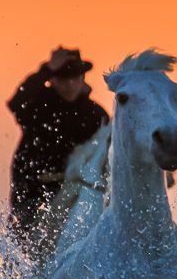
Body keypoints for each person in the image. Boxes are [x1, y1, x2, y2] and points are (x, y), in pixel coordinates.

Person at [7, 47, 109, 260]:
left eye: (75, 77)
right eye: (63, 78)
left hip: (81, 192)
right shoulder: (37, 105)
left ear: (83, 78)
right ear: (52, 79)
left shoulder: (95, 114)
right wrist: (46, 69)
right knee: (25, 247)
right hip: (34, 190)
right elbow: (16, 103)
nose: (70, 84)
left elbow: (108, 151)